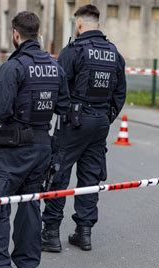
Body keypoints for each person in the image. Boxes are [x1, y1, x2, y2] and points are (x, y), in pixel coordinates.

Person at [0, 11, 69, 268]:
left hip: (12, 148)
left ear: (16, 34)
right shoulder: (55, 67)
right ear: (38, 34)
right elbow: (63, 105)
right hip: (42, 147)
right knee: (30, 206)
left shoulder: (14, 66)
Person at [41, 4, 126, 253]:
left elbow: (57, 84)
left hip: (74, 121)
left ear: (79, 24)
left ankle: (51, 233)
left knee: (59, 172)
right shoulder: (113, 52)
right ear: (97, 24)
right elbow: (120, 91)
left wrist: (63, 111)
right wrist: (106, 116)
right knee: (90, 176)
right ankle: (84, 232)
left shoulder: (73, 50)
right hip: (100, 121)